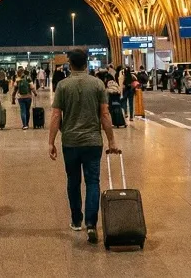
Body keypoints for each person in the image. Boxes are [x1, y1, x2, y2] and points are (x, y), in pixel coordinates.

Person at [48, 48, 120, 245]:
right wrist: (112, 140)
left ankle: (76, 220)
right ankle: (91, 223)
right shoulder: (97, 84)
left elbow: (56, 116)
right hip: (92, 142)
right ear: (87, 64)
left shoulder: (63, 86)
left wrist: (51, 142)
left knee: (73, 181)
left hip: (70, 142)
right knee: (93, 182)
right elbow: (105, 115)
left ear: (69, 64)